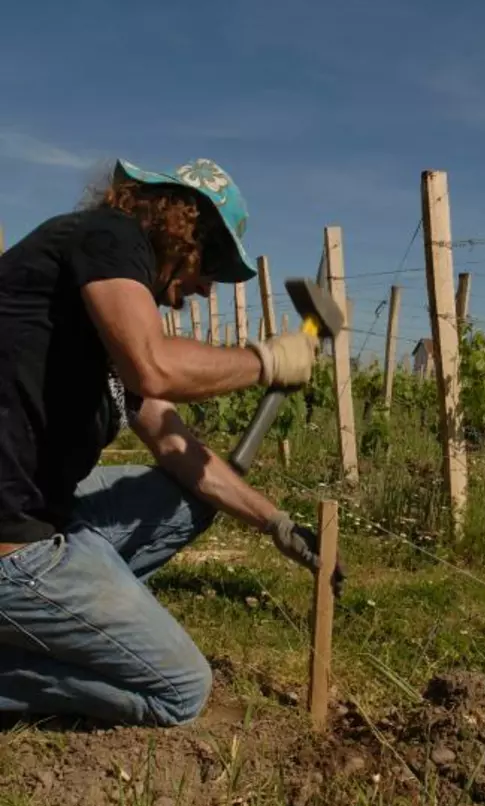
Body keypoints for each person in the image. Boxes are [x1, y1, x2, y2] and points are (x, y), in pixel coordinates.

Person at [0, 156, 339, 728]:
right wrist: (267, 360)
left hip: (40, 516)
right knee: (181, 689)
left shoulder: (97, 306)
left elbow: (171, 439)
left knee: (189, 494)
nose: (206, 289)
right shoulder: (109, 237)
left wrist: (274, 522)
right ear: (183, 229)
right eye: (213, 265)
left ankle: (69, 620)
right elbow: (152, 368)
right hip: (13, 544)